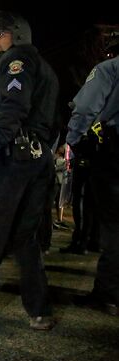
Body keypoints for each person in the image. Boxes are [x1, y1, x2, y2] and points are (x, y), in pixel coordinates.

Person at [0, 10, 59, 330]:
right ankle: (39, 310)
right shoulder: (47, 69)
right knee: (26, 237)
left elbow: (13, 108)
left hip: (12, 157)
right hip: (39, 157)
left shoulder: (15, 61)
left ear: (17, 33)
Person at [66, 33, 119, 316]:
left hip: (113, 155)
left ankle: (108, 294)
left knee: (113, 228)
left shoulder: (108, 69)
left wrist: (75, 139)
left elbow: (86, 108)